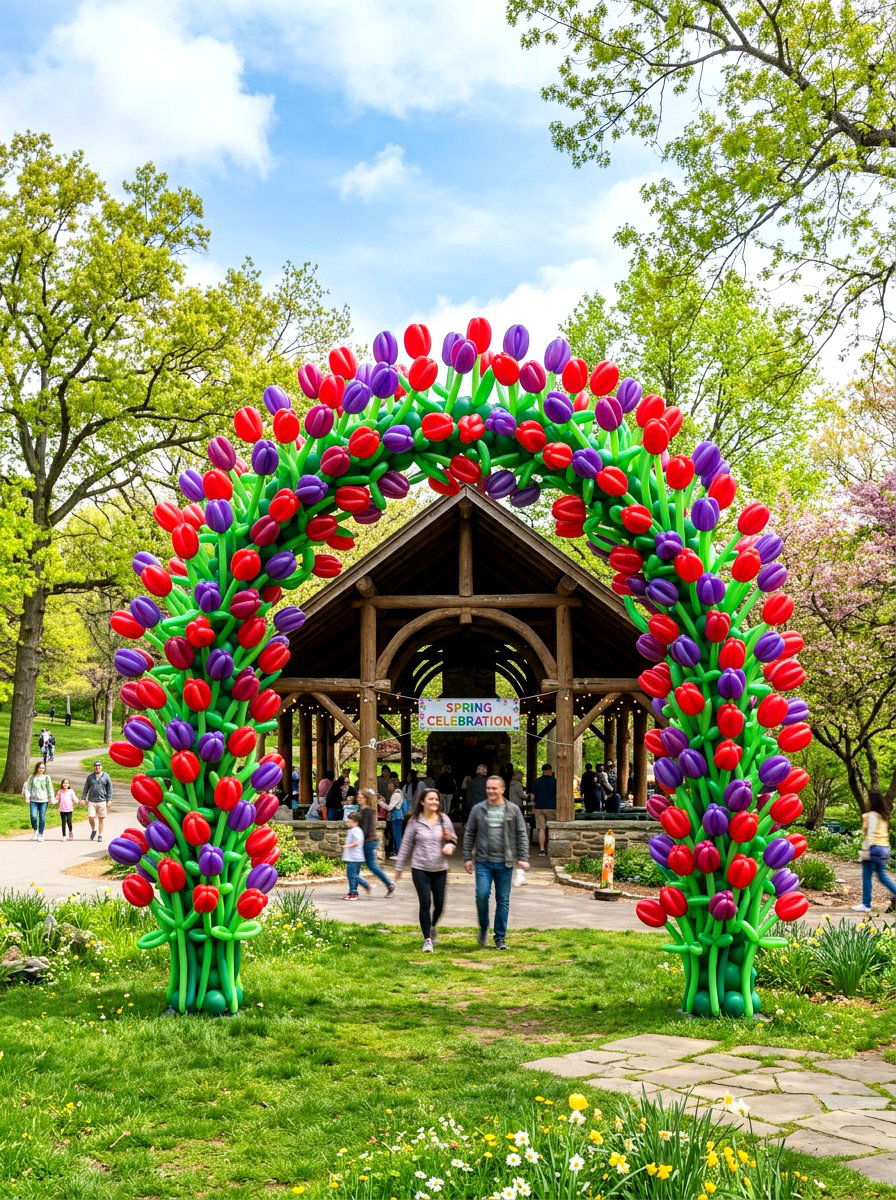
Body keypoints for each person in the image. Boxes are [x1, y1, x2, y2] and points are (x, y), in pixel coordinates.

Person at [463, 774, 529, 950]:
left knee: (503, 900)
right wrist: (467, 858)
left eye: (494, 788)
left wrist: (523, 858)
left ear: (502, 789)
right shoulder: (478, 809)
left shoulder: (513, 809)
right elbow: (469, 833)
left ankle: (500, 937)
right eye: (488, 788)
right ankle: (484, 927)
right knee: (482, 896)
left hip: (505, 862)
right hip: (483, 861)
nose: (490, 791)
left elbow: (522, 834)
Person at [395, 787, 458, 951]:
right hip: (420, 867)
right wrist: (399, 866)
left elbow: (453, 839)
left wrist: (450, 845)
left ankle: (432, 926)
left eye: (436, 799)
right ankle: (427, 940)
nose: (435, 802)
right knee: (425, 902)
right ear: (422, 801)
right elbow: (407, 844)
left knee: (439, 904)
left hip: (440, 868)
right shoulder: (415, 821)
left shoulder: (444, 819)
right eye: (431, 799)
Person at [852, 791, 896, 913]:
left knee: (866, 877)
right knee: (882, 876)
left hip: (874, 848)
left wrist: (865, 850)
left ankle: (866, 904)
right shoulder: (883, 816)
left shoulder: (871, 815)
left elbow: (870, 834)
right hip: (885, 848)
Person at [357, 787, 396, 895]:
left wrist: (357, 841)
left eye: (360, 797)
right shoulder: (361, 810)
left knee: (371, 866)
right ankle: (358, 887)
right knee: (358, 866)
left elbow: (365, 829)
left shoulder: (368, 811)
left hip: (368, 842)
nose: (358, 798)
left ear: (365, 798)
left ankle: (389, 884)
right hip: (366, 841)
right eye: (358, 797)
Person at [82, 760, 113, 843]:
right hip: (91, 801)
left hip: (102, 801)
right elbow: (86, 788)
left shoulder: (106, 776)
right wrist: (83, 798)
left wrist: (109, 800)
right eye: (95, 766)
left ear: (101, 767)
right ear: (94, 767)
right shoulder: (90, 777)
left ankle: (100, 835)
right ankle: (94, 829)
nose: (97, 767)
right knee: (91, 817)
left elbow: (109, 788)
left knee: (101, 819)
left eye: (99, 765)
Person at [341, 812, 370, 900]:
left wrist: (346, 846)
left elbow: (357, 842)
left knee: (352, 875)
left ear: (355, 822)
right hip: (353, 857)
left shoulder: (356, 830)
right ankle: (353, 892)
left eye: (349, 821)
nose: (347, 823)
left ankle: (358, 889)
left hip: (354, 857)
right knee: (353, 875)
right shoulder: (352, 830)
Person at [24, 761, 53, 841]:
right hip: (33, 800)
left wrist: (51, 797)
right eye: (40, 767)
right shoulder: (32, 777)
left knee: (42, 818)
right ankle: (35, 831)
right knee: (33, 816)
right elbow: (28, 788)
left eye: (43, 768)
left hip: (44, 801)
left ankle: (40, 834)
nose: (41, 769)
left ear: (44, 769)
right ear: (37, 768)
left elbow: (50, 788)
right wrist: (27, 797)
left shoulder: (47, 777)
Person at [532, 763, 557, 857]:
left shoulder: (537, 781)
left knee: (541, 829)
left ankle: (542, 850)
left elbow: (532, 797)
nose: (551, 772)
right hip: (552, 807)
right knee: (551, 828)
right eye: (550, 770)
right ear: (549, 770)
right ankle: (551, 848)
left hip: (539, 808)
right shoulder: (555, 781)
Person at [387, 776, 406, 857]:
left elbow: (389, 807)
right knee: (396, 835)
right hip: (397, 816)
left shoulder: (396, 794)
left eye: (389, 785)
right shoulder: (397, 793)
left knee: (397, 835)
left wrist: (380, 803)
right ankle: (397, 852)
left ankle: (399, 854)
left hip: (397, 817)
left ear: (393, 785)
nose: (388, 786)